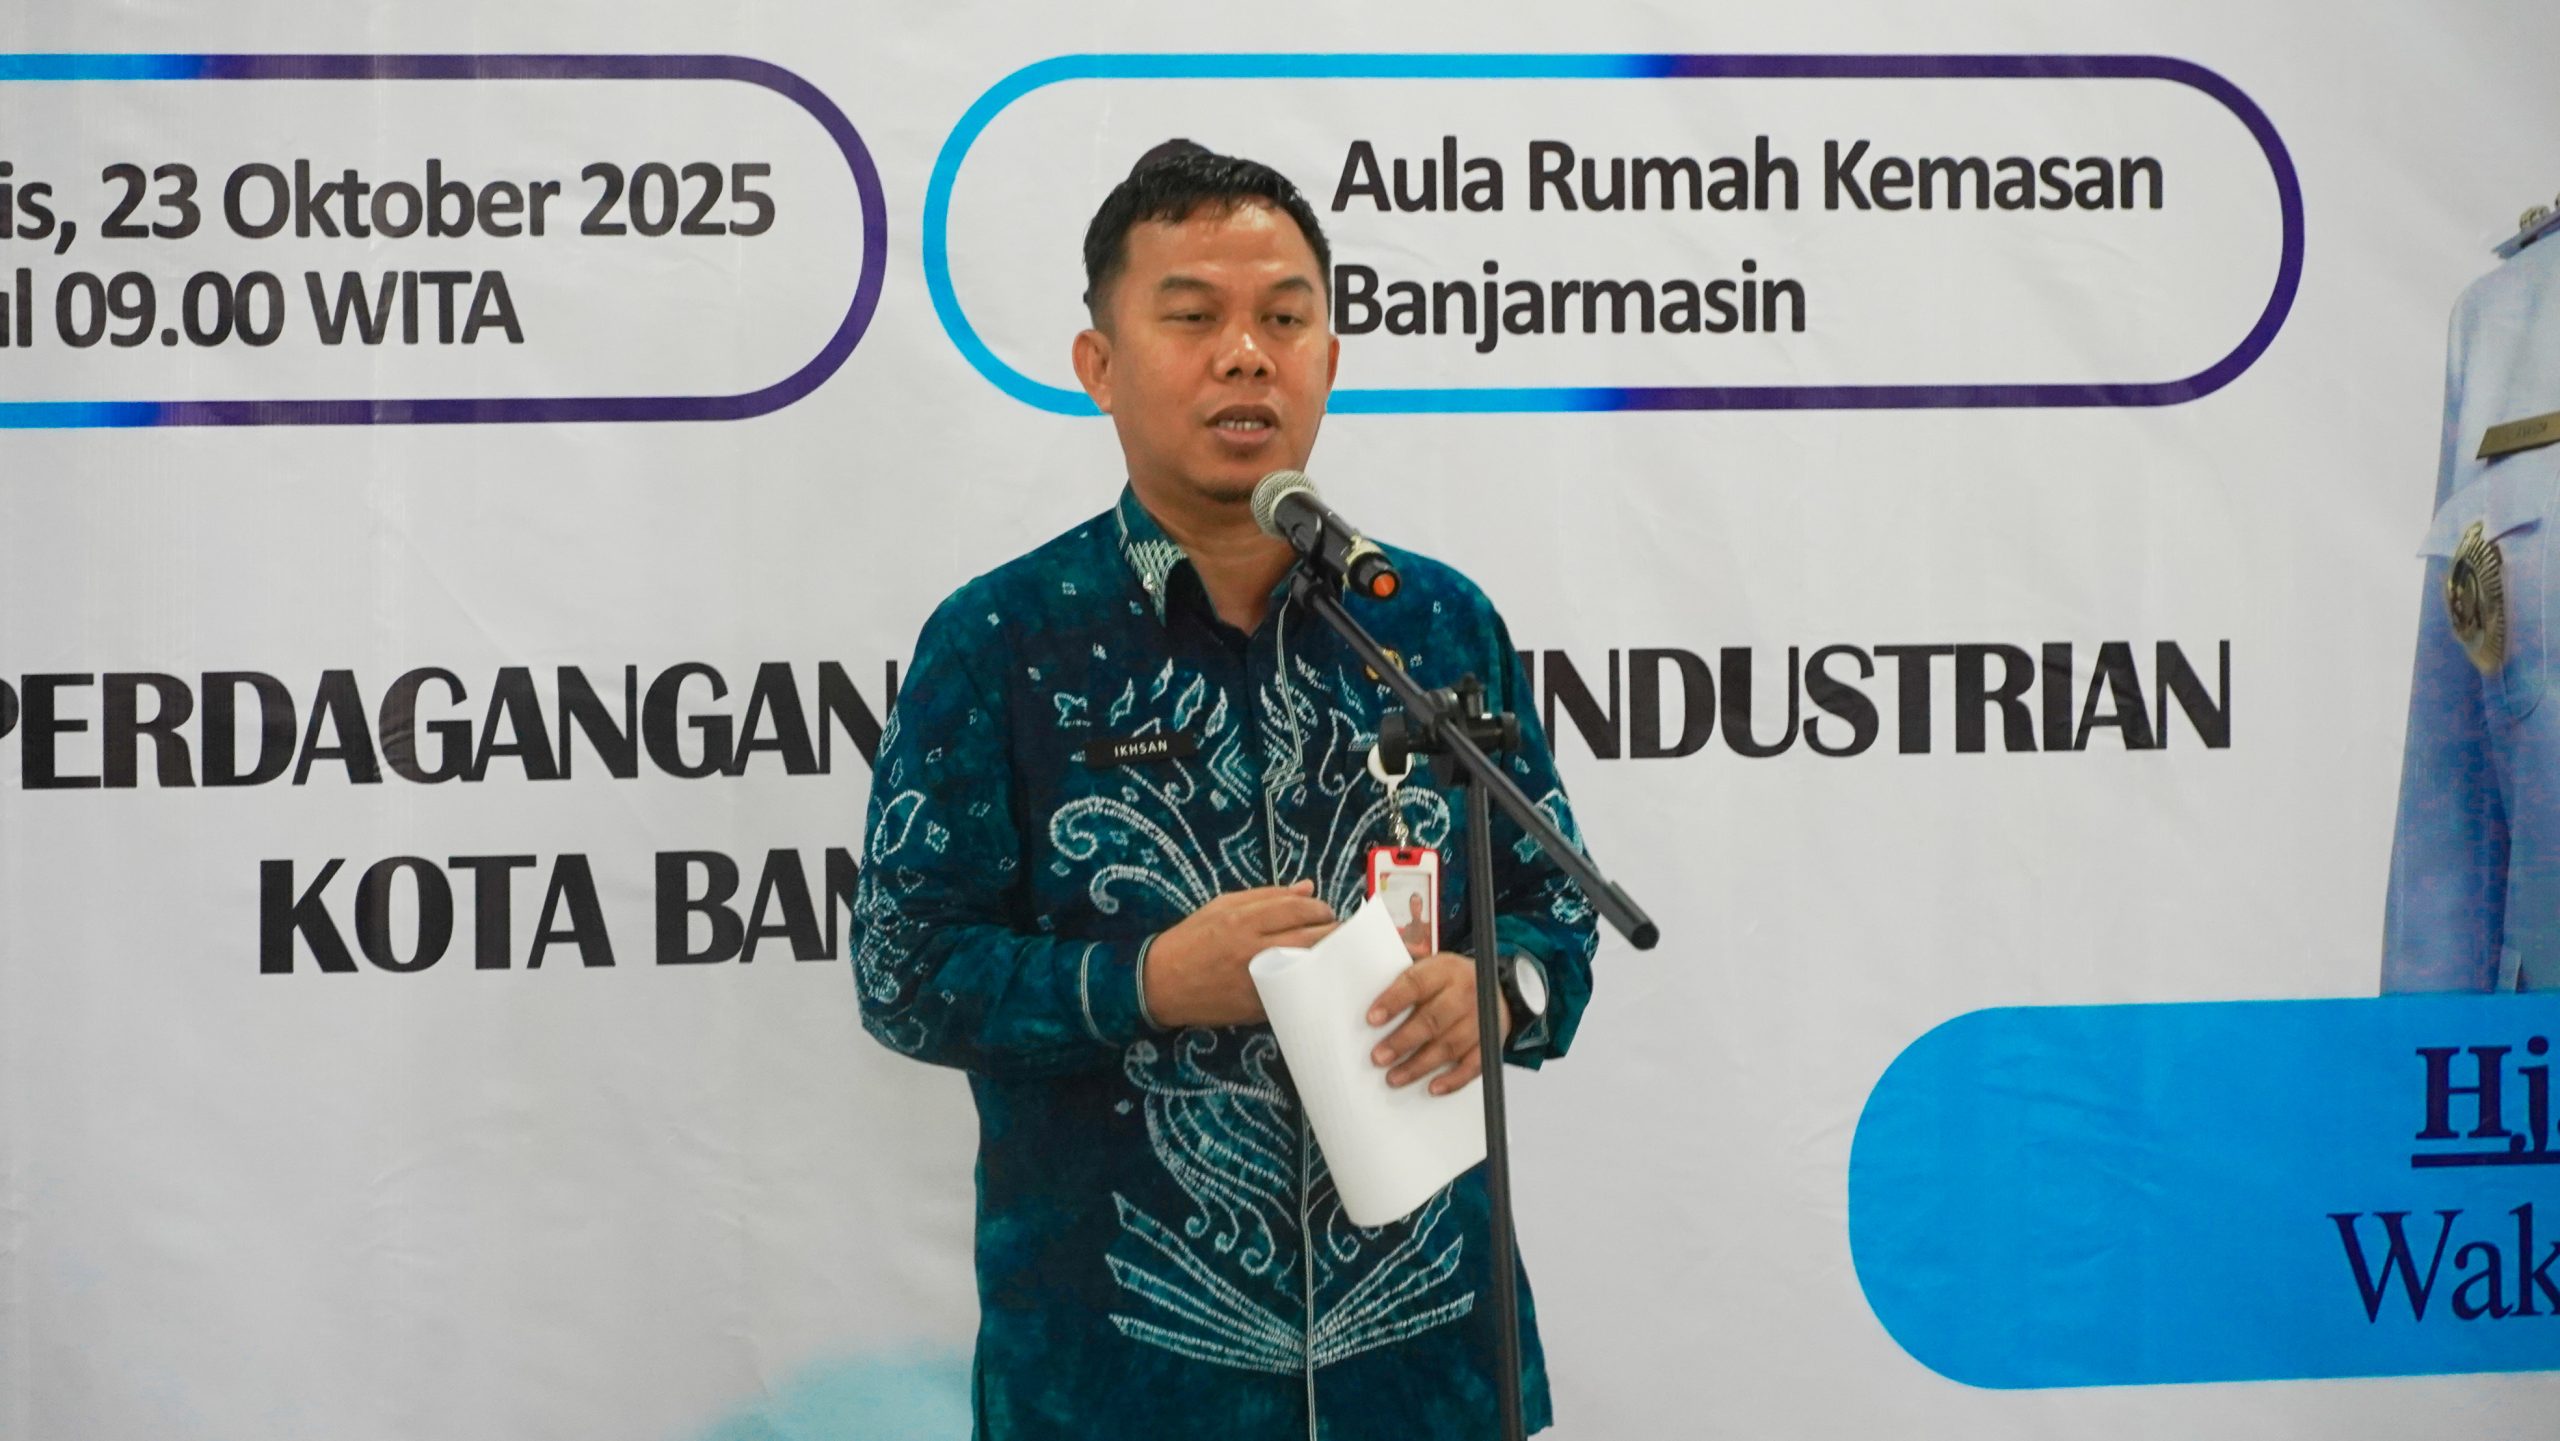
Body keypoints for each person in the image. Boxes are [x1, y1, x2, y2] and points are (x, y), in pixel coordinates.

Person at [850, 141, 1600, 1439]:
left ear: (1329, 359)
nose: (1246, 356)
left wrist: (1501, 989)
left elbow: (1559, 911)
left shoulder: (1427, 623)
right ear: (1100, 365)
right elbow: (905, 972)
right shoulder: (1004, 641)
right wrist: (1146, 982)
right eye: (1193, 318)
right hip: (1121, 1380)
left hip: (1427, 1365)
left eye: (1284, 320)